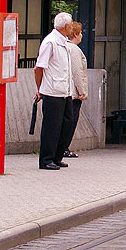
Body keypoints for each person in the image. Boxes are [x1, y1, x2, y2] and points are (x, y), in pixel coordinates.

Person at [34, 12, 76, 170]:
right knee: (52, 126)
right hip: (52, 91)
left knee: (66, 124)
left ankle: (57, 156)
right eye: (71, 25)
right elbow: (38, 68)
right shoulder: (50, 42)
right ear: (66, 26)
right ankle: (46, 159)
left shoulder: (64, 42)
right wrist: (40, 89)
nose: (72, 27)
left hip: (64, 91)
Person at [64, 21, 88, 159]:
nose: (82, 35)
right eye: (80, 33)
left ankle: (63, 147)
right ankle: (64, 147)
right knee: (71, 120)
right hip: (74, 92)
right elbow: (77, 71)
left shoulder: (66, 47)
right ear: (75, 34)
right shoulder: (74, 49)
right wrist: (82, 90)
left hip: (68, 90)